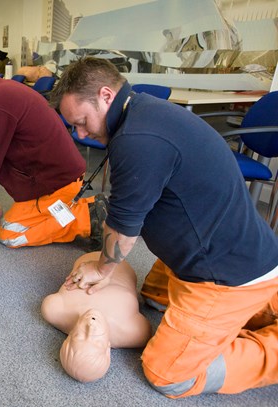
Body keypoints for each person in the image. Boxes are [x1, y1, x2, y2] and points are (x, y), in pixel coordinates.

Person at [51, 56, 278, 398]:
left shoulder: (137, 138)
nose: (81, 134)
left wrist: (102, 269)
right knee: (153, 300)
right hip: (219, 249)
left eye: (82, 122)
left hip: (224, 273)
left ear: (105, 95)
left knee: (168, 375)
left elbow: (124, 229)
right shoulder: (142, 108)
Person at [0, 65, 106, 250]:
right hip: (59, 175)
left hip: (57, 182)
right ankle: (87, 205)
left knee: (11, 233)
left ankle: (86, 218)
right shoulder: (0, 89)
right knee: (18, 221)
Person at [41, 251, 152, 383]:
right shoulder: (132, 333)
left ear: (69, 337)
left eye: (80, 336)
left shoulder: (55, 310)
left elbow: (50, 304)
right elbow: (147, 329)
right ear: (107, 349)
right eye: (97, 342)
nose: (91, 327)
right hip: (121, 265)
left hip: (88, 260)